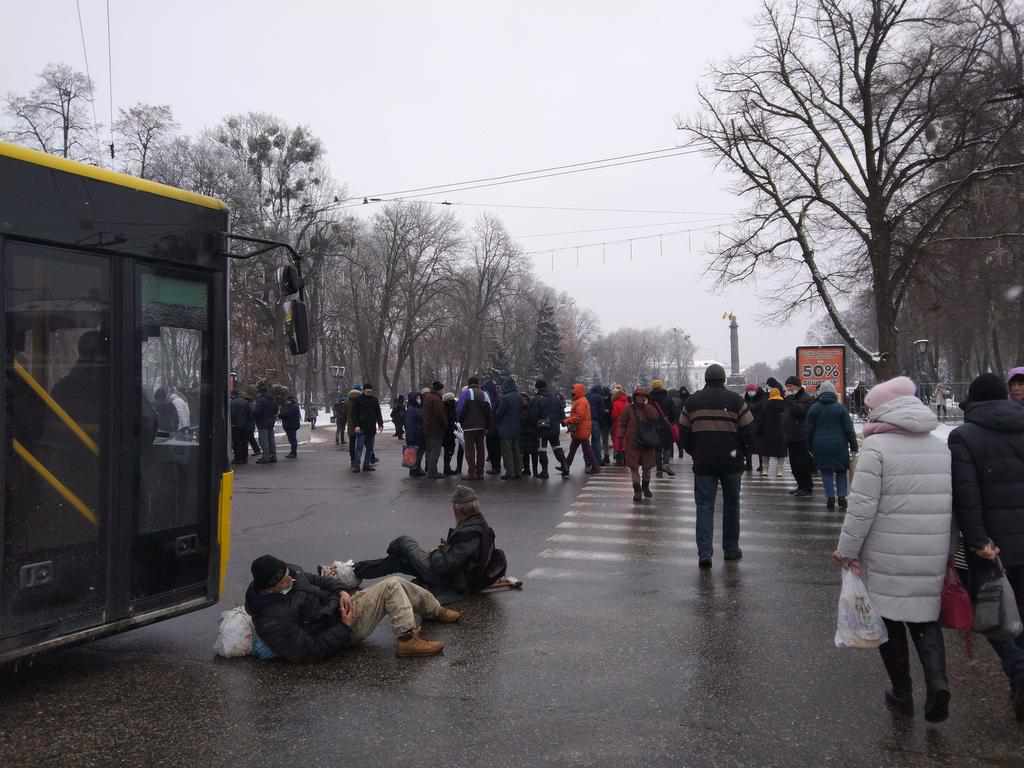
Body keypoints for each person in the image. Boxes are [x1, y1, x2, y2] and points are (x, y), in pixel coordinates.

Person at [833, 376, 951, 723]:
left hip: (886, 549)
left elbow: (861, 507)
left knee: (889, 621)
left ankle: (902, 692)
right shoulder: (938, 445)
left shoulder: (877, 449)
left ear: (884, 408)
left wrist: (846, 550)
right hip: (932, 546)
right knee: (926, 617)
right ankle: (938, 682)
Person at [949, 373, 1024, 720]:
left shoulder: (964, 436)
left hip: (991, 546)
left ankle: (1018, 670)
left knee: (993, 613)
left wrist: (978, 540)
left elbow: (967, 495)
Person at [245, 555, 458, 660]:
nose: (290, 579)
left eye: (288, 574)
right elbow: (307, 651)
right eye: (284, 580)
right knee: (391, 587)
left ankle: (435, 610)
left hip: (339, 609)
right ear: (271, 587)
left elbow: (321, 581)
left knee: (395, 582)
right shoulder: (272, 619)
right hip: (341, 628)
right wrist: (344, 627)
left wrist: (342, 591)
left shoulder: (290, 576)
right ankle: (407, 640)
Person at [354, 485, 507, 594]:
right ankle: (355, 571)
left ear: (457, 509)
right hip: (453, 574)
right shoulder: (479, 526)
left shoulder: (470, 533)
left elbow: (443, 566)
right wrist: (443, 550)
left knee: (405, 542)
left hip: (449, 580)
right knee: (398, 561)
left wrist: (438, 551)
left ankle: (355, 570)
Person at [679, 364, 754, 569]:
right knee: (731, 506)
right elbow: (749, 432)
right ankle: (730, 549)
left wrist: (695, 451)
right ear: (724, 380)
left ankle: (705, 553)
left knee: (704, 507)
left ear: (705, 378)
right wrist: (742, 454)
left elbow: (683, 433)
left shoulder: (692, 402)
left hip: (703, 463)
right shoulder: (737, 401)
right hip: (731, 463)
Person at [806, 381, 858, 510]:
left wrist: (809, 446)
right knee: (841, 471)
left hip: (820, 445)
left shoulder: (814, 408)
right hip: (839, 445)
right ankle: (842, 497)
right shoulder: (840, 408)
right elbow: (849, 429)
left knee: (826, 471)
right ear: (834, 392)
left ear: (820, 392)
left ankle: (830, 497)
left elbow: (808, 430)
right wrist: (854, 446)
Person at [616, 387, 661, 501]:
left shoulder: (649, 408)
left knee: (647, 468)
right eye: (638, 396)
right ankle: (637, 490)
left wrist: (648, 406)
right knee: (634, 468)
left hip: (647, 442)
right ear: (634, 397)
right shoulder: (628, 409)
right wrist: (620, 437)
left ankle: (645, 487)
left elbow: (655, 417)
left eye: (643, 396)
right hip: (632, 443)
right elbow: (622, 423)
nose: (640, 398)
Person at [456, 377, 494, 481]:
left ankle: (471, 473)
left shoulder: (466, 393)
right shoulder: (484, 394)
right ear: (478, 383)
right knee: (481, 449)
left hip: (468, 426)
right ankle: (480, 473)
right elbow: (490, 410)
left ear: (469, 384)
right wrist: (487, 425)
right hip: (481, 427)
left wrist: (461, 421)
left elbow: (459, 409)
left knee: (469, 450)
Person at [527, 379, 566, 479]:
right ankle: (565, 466)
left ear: (537, 387)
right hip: (555, 427)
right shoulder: (555, 398)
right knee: (556, 446)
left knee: (542, 450)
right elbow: (561, 412)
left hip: (542, 428)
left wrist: (533, 424)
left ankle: (545, 471)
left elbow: (532, 415)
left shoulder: (537, 399)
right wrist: (560, 421)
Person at [784, 375, 815, 496]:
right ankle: (800, 485)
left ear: (797, 386)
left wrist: (790, 400)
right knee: (794, 464)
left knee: (802, 464)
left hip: (801, 436)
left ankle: (807, 487)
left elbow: (800, 412)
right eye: (787, 387)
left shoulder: (805, 398)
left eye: (790, 386)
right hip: (791, 436)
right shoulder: (790, 398)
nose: (788, 389)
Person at [564, 383, 598, 475]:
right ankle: (566, 465)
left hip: (581, 429)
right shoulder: (580, 400)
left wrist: (567, 421)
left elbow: (579, 416)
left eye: (573, 390)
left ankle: (595, 467)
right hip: (580, 429)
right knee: (575, 449)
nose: (572, 392)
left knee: (586, 449)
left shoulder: (581, 401)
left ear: (578, 391)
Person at [351, 383, 384, 473]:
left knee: (370, 448)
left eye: (370, 391)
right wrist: (356, 425)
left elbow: (378, 413)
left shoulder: (374, 400)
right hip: (361, 428)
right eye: (367, 390)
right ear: (364, 390)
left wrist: (380, 424)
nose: (369, 392)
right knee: (359, 448)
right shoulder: (358, 400)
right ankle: (357, 466)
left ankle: (366, 465)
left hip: (371, 428)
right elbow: (354, 414)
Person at [649, 379, 677, 476]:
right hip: (666, 426)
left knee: (657, 449)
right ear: (661, 386)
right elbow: (673, 413)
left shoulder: (649, 399)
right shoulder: (668, 398)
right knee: (667, 447)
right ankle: (666, 464)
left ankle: (659, 470)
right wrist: (672, 421)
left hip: (654, 426)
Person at [496, 378, 523, 480]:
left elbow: (499, 413)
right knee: (516, 450)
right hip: (517, 427)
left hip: (506, 428)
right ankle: (518, 471)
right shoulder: (519, 397)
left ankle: (510, 472)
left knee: (507, 451)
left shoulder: (505, 398)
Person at [422, 381, 448, 480]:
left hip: (428, 428)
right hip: (436, 429)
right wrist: (445, 424)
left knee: (429, 451)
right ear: (439, 389)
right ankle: (433, 473)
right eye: (442, 389)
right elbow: (440, 414)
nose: (443, 391)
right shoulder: (436, 399)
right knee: (435, 452)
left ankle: (431, 471)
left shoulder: (428, 397)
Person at [252, 383, 279, 464]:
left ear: (260, 392)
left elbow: (257, 412)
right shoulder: (271, 399)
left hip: (262, 423)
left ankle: (265, 457)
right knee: (271, 440)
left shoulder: (260, 400)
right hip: (271, 422)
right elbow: (276, 409)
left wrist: (253, 412)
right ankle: (273, 456)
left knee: (264, 441)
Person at [483, 379, 503, 475]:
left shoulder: (493, 399)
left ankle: (496, 467)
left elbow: (495, 413)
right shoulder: (496, 398)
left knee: (494, 447)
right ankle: (495, 465)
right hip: (494, 426)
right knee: (494, 447)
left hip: (493, 427)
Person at [403, 391, 425, 477]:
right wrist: (410, 437)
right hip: (415, 435)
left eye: (419, 398)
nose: (419, 400)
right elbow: (409, 425)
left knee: (419, 453)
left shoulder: (418, 408)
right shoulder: (411, 409)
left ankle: (417, 468)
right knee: (415, 453)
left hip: (420, 434)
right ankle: (414, 470)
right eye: (417, 398)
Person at [586, 384, 608, 468]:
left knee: (586, 443)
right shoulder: (599, 397)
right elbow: (601, 411)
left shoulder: (586, 396)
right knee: (596, 441)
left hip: (586, 421)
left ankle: (588, 461)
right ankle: (598, 460)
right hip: (595, 421)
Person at [442, 392, 463, 477]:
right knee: (449, 450)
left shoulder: (444, 406)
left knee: (448, 451)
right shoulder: (451, 407)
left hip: (447, 432)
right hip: (450, 432)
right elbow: (452, 418)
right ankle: (447, 469)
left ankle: (447, 468)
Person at [519, 389, 539, 477]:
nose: (523, 401)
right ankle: (527, 469)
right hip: (524, 434)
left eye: (524, 399)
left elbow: (534, 420)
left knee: (534, 453)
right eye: (521, 400)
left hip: (532, 434)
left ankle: (535, 471)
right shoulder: (520, 410)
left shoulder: (531, 409)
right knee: (525, 453)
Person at [229, 390, 253, 465]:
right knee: (244, 442)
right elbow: (250, 414)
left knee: (237, 443)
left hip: (235, 426)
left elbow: (231, 415)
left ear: (233, 395)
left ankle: (238, 458)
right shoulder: (245, 402)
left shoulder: (231, 403)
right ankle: (244, 458)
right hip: (245, 425)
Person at [610, 385, 628, 466]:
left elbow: (614, 415)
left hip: (617, 424)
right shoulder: (627, 403)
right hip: (626, 425)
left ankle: (619, 460)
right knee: (624, 442)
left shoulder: (615, 403)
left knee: (617, 442)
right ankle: (625, 459)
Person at [280, 394, 302, 459]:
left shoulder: (292, 406)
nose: (286, 401)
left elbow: (287, 414)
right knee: (292, 439)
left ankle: (293, 453)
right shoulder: (292, 406)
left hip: (291, 425)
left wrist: (280, 415)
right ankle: (293, 452)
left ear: (290, 400)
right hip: (291, 425)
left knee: (293, 440)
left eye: (288, 400)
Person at [343, 389, 361, 466]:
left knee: (352, 443)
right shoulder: (360, 402)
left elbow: (344, 414)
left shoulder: (347, 402)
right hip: (360, 425)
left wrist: (344, 423)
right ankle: (358, 459)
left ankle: (353, 459)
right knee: (360, 444)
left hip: (351, 426)